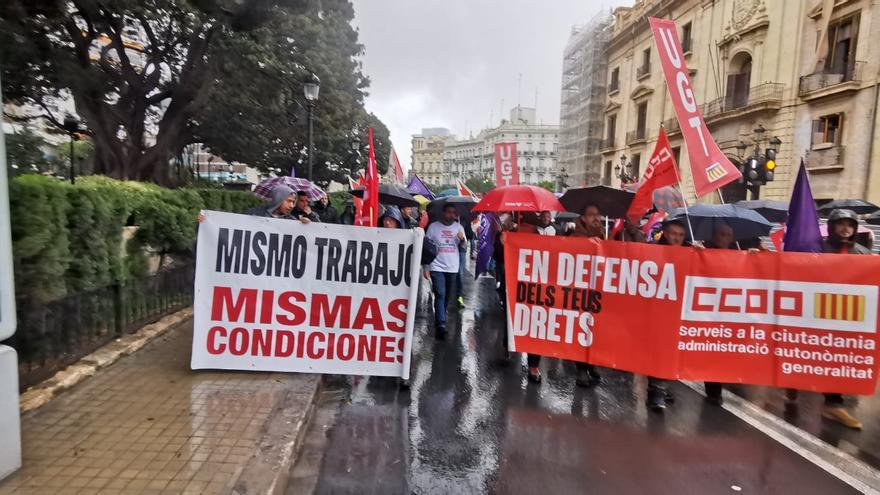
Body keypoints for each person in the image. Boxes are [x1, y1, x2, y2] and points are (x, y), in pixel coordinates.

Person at [786, 208, 869, 429]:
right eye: (841, 224)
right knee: (806, 347)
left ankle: (833, 403)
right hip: (814, 308)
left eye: (850, 225)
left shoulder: (863, 252)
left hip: (845, 313)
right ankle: (793, 379)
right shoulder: (817, 248)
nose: (846, 228)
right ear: (832, 227)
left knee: (837, 355)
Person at [646, 218, 695, 411]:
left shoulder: (690, 252)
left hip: (679, 311)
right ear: (665, 233)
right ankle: (656, 392)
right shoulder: (652, 250)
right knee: (658, 350)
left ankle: (659, 388)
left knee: (671, 351)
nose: (677, 238)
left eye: (681, 235)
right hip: (656, 310)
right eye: (673, 234)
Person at [567, 204, 604, 387]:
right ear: (583, 218)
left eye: (597, 214)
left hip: (598, 288)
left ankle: (591, 363)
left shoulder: (603, 233)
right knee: (582, 329)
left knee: (595, 329)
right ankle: (581, 368)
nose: (596, 218)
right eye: (591, 215)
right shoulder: (577, 234)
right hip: (581, 288)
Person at [702, 222, 736, 406]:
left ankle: (716, 387)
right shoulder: (705, 253)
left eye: (728, 235)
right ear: (715, 237)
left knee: (722, 351)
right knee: (711, 350)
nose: (724, 238)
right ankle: (713, 390)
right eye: (721, 234)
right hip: (708, 310)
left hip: (728, 311)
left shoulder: (739, 255)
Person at [425, 204, 466, 339]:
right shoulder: (433, 227)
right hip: (437, 266)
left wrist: (462, 240)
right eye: (448, 212)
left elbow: (464, 248)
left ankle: (441, 314)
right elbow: (426, 246)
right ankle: (441, 324)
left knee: (447, 295)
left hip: (452, 267)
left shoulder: (459, 228)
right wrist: (426, 266)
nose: (451, 215)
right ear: (443, 213)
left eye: (453, 213)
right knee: (440, 293)